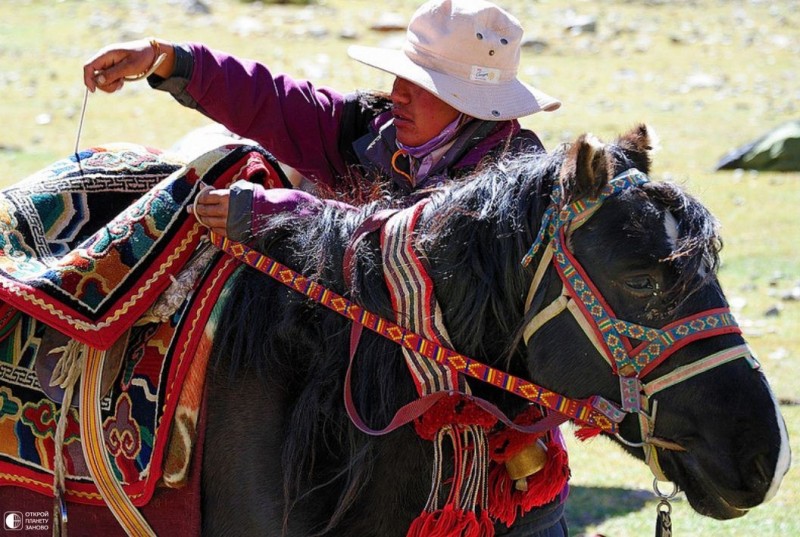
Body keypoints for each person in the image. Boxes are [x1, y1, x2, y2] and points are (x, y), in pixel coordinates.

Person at [83, 0, 560, 243]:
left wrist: (278, 213)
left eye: (424, 86)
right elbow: (276, 102)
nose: (397, 94)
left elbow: (409, 241)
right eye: (401, 77)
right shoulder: (372, 132)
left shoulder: (513, 185)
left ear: (472, 106)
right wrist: (168, 60)